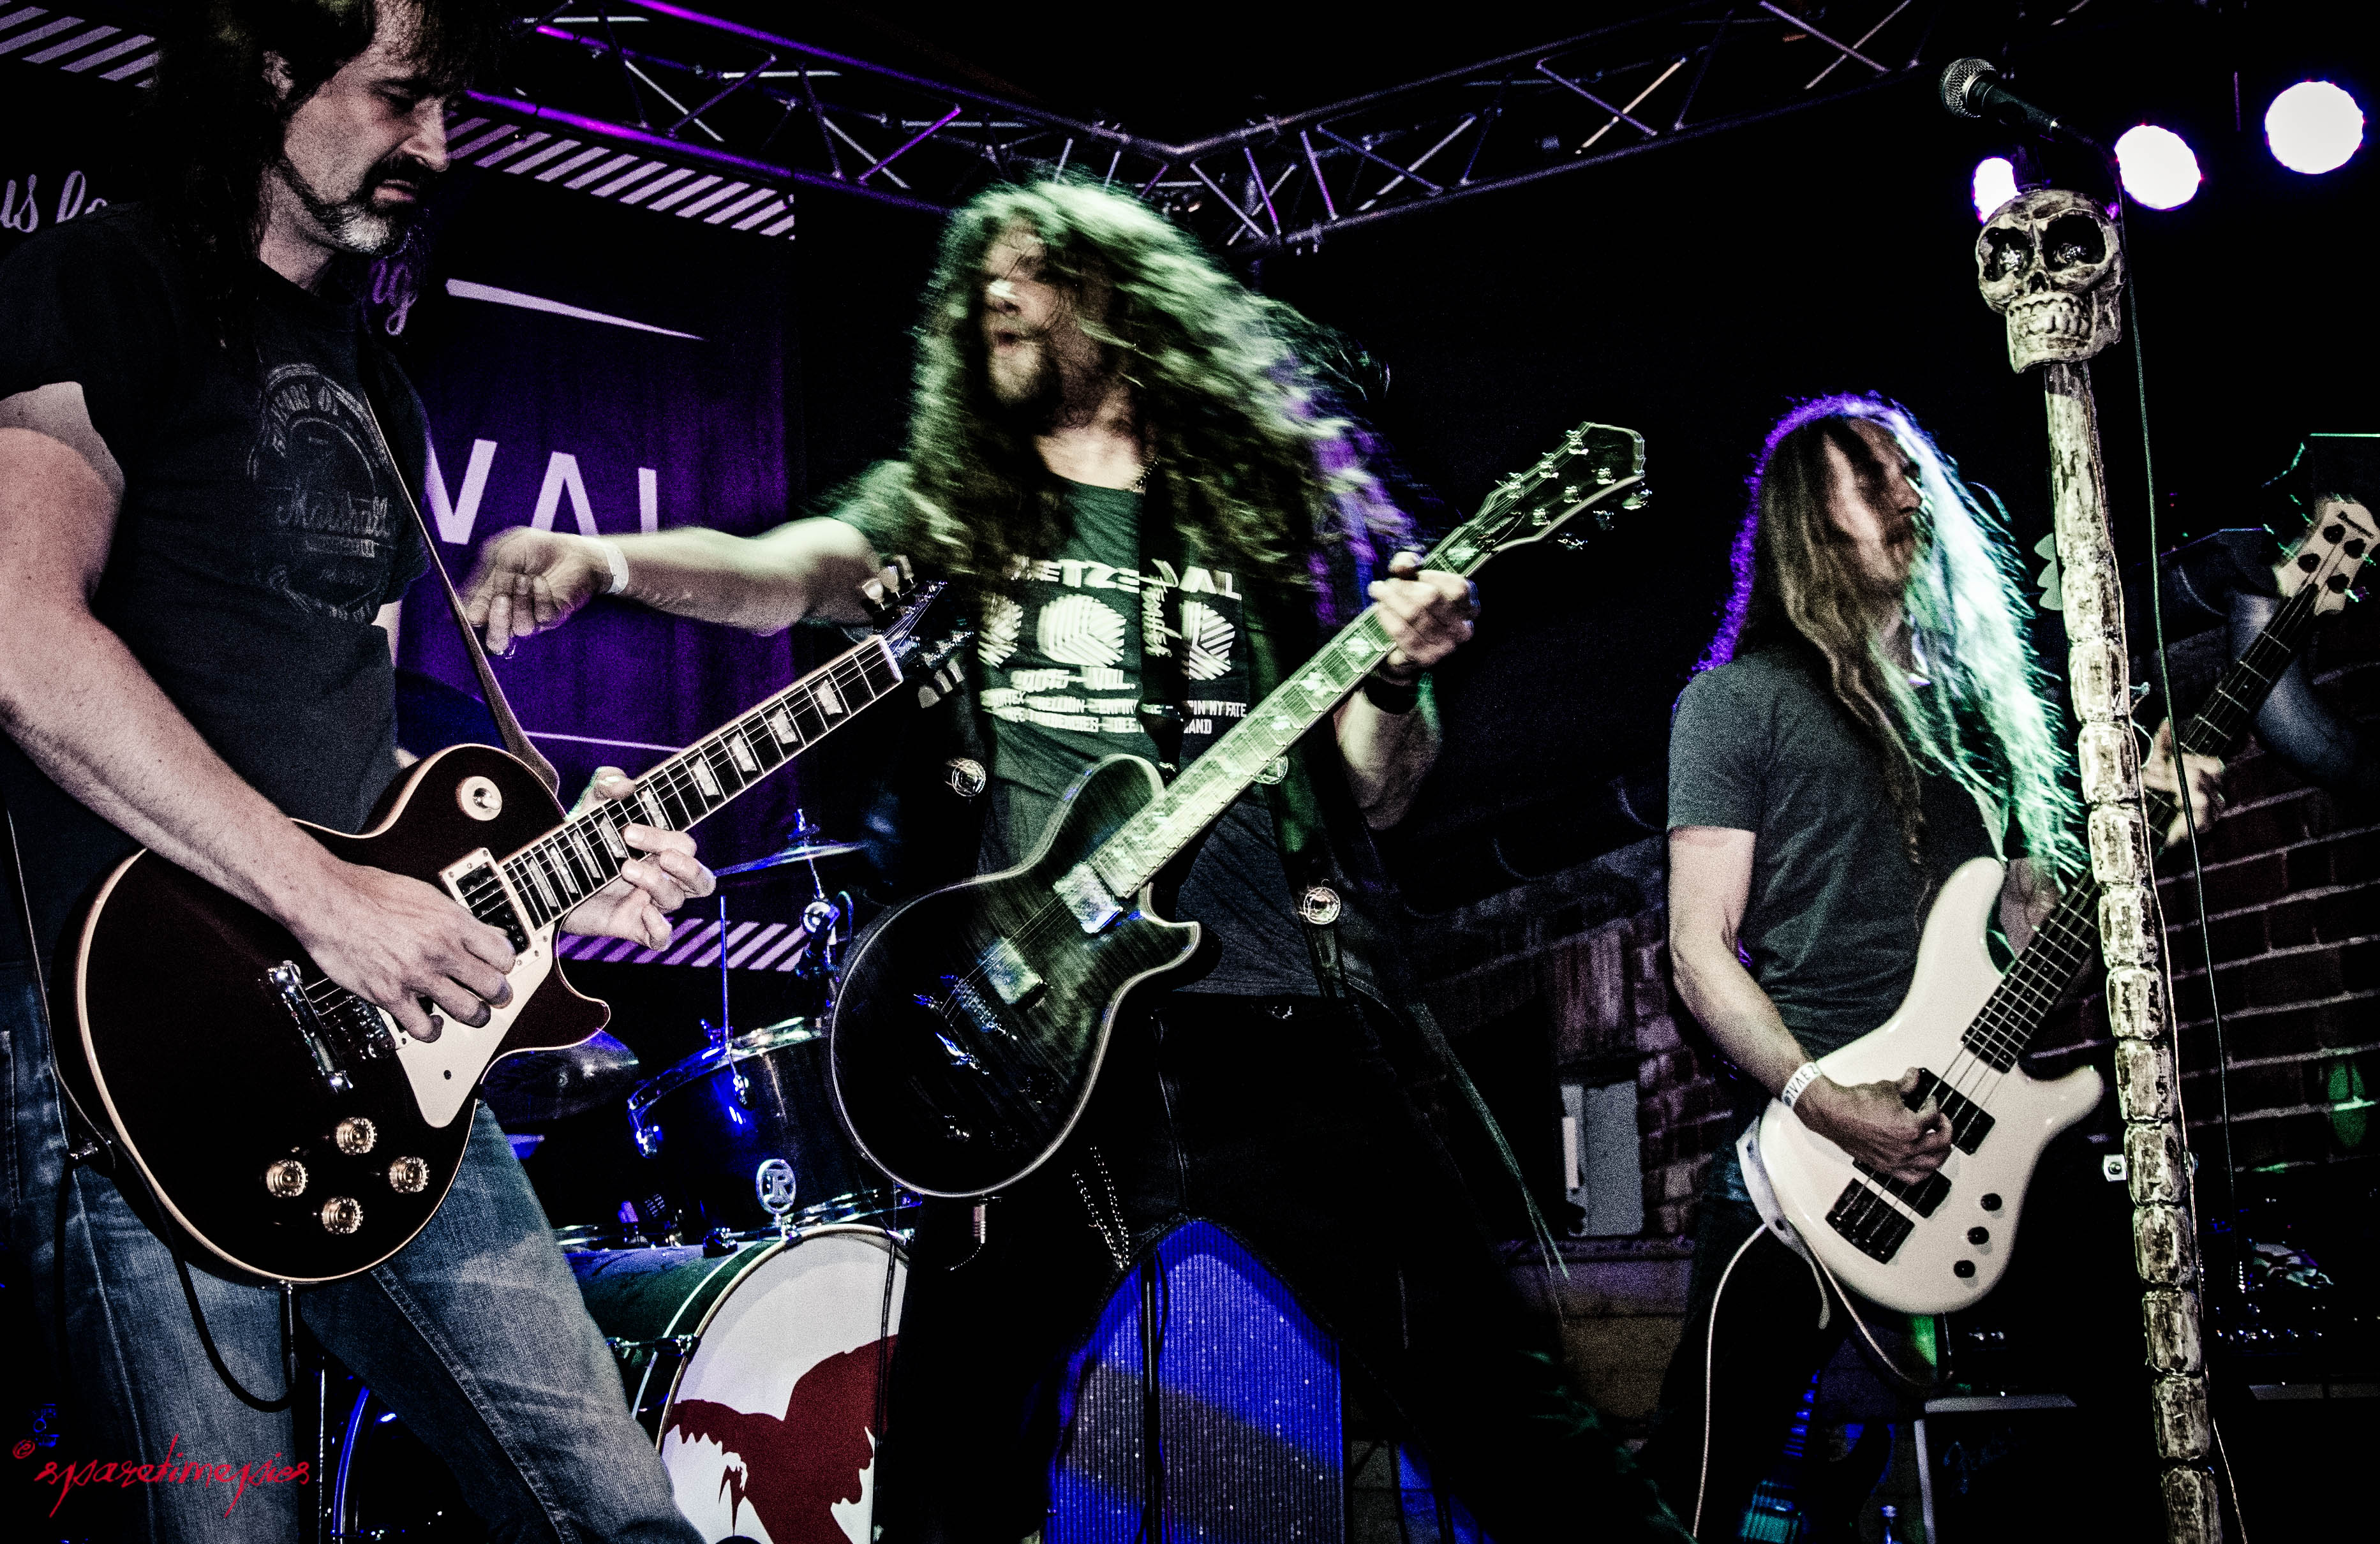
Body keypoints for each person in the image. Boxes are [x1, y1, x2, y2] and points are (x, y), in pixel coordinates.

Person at [463, 177, 1690, 1543]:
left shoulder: (1270, 517)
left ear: (1123, 296)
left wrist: (1396, 677)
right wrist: (606, 560)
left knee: (1498, 1410)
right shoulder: (954, 511)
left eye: (1031, 266)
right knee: (951, 1462)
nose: (995, 291)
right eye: (977, 276)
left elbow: (1374, 792)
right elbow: (783, 573)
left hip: (1280, 1022)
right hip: (1028, 1050)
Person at [0, 4, 713, 1538]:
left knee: (615, 1511)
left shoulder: (377, 386)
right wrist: (323, 900)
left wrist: (554, 870)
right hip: (133, 1044)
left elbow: (357, 750)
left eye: (449, 108)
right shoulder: (104, 280)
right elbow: (20, 638)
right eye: (400, 97)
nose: (435, 147)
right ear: (269, 68)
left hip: (378, 1056)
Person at [1633, 394, 2222, 1539]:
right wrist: (1823, 1098)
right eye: (1875, 478)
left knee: (2169, 1393)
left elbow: (2035, 936)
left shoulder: (1982, 710)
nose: (1911, 495)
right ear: (1810, 519)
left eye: (1914, 473)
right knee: (1698, 1479)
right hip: (1811, 1154)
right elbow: (1696, 948)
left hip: (1990, 1125)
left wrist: (2139, 838)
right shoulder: (1736, 701)